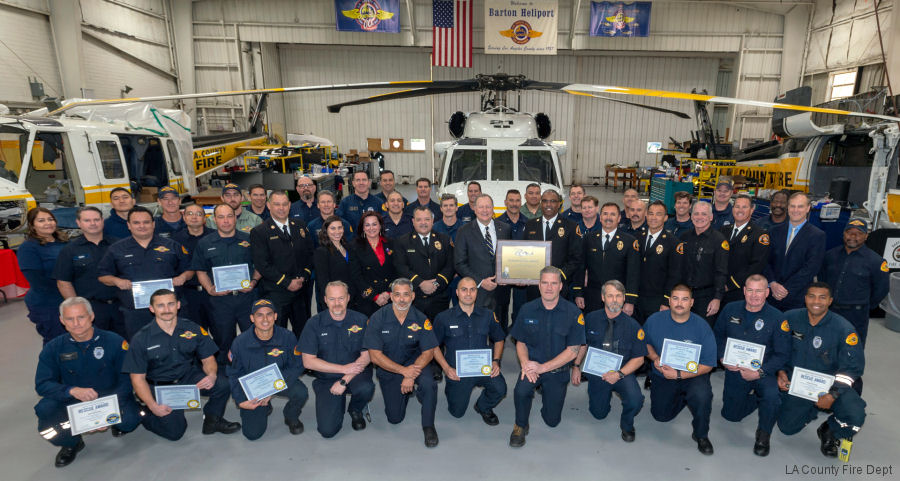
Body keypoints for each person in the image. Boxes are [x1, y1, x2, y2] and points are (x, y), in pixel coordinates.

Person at [34, 297, 141, 467]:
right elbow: (43, 384)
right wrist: (71, 390)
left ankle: (117, 423)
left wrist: (106, 412)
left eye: (81, 317)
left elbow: (127, 379)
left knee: (131, 420)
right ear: (62, 321)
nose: (76, 323)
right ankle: (71, 442)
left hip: (109, 396)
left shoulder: (114, 341)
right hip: (72, 399)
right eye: (70, 319)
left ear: (91, 316)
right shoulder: (53, 348)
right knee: (45, 410)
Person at [122, 289, 240, 440]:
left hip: (187, 377)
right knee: (175, 433)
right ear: (152, 309)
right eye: (161, 306)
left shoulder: (192, 328)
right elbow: (137, 379)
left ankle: (212, 419)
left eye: (170, 304)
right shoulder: (141, 339)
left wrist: (211, 375)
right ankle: (144, 413)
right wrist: (152, 405)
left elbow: (208, 359)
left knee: (222, 383)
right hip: (160, 386)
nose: (166, 310)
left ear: (178, 305)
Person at [776, 283, 866, 458]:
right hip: (797, 382)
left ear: (830, 301)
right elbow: (777, 349)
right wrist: (780, 372)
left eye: (822, 297)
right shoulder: (789, 319)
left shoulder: (844, 328)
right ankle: (810, 409)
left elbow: (852, 368)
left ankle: (829, 430)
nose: (816, 301)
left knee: (855, 415)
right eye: (811, 296)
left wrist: (833, 394)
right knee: (787, 428)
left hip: (831, 385)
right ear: (805, 298)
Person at [714, 275, 790, 456]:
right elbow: (717, 337)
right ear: (744, 291)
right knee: (730, 416)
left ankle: (764, 434)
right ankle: (757, 399)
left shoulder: (778, 318)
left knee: (771, 396)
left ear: (767, 293)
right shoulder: (730, 309)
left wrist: (761, 372)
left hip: (765, 371)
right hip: (735, 369)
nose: (754, 295)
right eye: (750, 290)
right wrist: (722, 358)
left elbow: (783, 354)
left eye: (759, 291)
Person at [508, 267, 585, 448]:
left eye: (553, 283)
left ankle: (546, 393)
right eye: (545, 283)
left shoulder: (573, 313)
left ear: (560, 286)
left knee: (552, 421)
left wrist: (544, 368)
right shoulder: (527, 309)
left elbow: (573, 350)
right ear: (539, 285)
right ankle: (520, 424)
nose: (549, 287)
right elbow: (520, 342)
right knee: (521, 390)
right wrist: (525, 363)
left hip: (557, 370)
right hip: (533, 366)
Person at [363, 278, 440, 447]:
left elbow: (428, 351)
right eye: (397, 295)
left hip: (416, 363)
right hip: (389, 366)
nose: (402, 299)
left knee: (429, 385)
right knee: (395, 418)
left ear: (413, 296)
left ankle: (428, 426)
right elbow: (375, 356)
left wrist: (411, 375)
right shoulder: (377, 318)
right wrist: (404, 372)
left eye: (406, 295)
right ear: (391, 296)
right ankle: (405, 393)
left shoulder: (421, 318)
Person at [97, 206, 193, 339]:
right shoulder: (116, 249)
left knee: (178, 345)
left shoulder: (172, 245)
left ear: (153, 224)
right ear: (129, 225)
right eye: (136, 223)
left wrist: (183, 277)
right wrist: (116, 281)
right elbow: (103, 276)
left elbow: (189, 269)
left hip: (169, 310)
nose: (142, 226)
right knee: (140, 349)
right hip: (135, 313)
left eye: (146, 222)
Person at [644, 284, 717, 455]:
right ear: (669, 301)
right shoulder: (654, 320)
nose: (679, 303)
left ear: (692, 302)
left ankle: (701, 434)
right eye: (675, 298)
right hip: (663, 373)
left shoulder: (702, 326)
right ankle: (684, 398)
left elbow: (708, 364)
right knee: (661, 416)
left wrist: (679, 374)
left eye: (685, 299)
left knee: (702, 395)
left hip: (693, 375)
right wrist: (655, 358)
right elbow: (644, 343)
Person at [571, 280, 646, 443]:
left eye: (618, 296)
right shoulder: (590, 319)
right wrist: (576, 366)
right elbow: (583, 344)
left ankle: (627, 425)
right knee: (598, 414)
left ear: (624, 298)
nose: (614, 300)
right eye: (610, 295)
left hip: (623, 372)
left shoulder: (634, 326)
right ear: (603, 297)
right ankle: (602, 396)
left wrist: (618, 374)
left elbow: (639, 358)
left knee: (636, 399)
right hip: (597, 372)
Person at [819, 219, 889, 394]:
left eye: (858, 233)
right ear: (844, 234)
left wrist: (862, 305)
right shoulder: (830, 255)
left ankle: (851, 397)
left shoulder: (876, 261)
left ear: (865, 236)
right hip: (830, 312)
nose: (853, 236)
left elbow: (881, 290)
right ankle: (823, 392)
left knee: (852, 356)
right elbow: (822, 280)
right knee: (825, 352)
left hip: (855, 316)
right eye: (850, 232)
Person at [298, 281, 374, 437]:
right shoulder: (313, 324)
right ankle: (334, 403)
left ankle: (356, 409)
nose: (337, 303)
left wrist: (344, 379)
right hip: (327, 378)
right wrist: (342, 369)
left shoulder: (361, 320)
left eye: (341, 298)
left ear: (348, 298)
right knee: (327, 431)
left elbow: (367, 355)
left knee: (366, 388)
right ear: (325, 300)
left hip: (356, 374)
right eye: (332, 299)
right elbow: (308, 361)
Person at [227, 299, 307, 439]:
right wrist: (240, 400)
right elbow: (234, 374)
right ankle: (265, 407)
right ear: (252, 318)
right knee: (252, 434)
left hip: (279, 381)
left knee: (300, 392)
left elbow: (297, 365)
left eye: (269, 314)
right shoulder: (240, 343)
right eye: (259, 315)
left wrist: (272, 389)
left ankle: (290, 416)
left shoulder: (288, 337)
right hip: (254, 388)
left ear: (275, 316)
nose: (265, 319)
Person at [432, 277, 506, 425]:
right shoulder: (443, 318)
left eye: (472, 289)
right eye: (464, 290)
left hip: (484, 368)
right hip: (458, 371)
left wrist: (496, 361)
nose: (468, 293)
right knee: (457, 413)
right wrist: (446, 369)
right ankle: (452, 390)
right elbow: (433, 346)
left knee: (500, 388)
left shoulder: (488, 315)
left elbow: (499, 339)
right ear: (457, 292)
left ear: (476, 293)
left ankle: (483, 406)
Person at [192, 204, 260, 364]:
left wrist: (254, 282)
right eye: (221, 217)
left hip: (246, 299)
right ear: (214, 220)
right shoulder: (204, 243)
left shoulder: (249, 239)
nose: (226, 221)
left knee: (252, 338)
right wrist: (209, 288)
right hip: (219, 302)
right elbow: (200, 270)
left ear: (235, 218)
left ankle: (252, 370)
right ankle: (226, 375)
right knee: (223, 340)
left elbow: (261, 265)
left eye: (229, 216)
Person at [251, 191, 313, 337]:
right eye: (276, 204)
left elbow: (310, 254)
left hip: (300, 290)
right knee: (278, 334)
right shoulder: (260, 232)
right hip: (276, 292)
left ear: (290, 205)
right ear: (268, 206)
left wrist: (304, 276)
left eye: (284, 204)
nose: (281, 208)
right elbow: (262, 264)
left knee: (304, 332)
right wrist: (286, 282)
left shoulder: (299, 225)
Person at [54, 207, 123, 337]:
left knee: (124, 345)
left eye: (96, 219)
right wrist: (78, 310)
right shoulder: (69, 250)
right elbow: (64, 282)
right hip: (91, 309)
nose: (93, 223)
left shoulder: (119, 245)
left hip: (121, 306)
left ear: (102, 221)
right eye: (87, 220)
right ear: (78, 223)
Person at [764, 192, 825, 311]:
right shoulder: (773, 231)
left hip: (796, 298)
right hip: (771, 294)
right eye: (792, 206)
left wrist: (785, 289)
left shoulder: (817, 235)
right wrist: (772, 283)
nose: (795, 210)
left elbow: (811, 268)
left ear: (808, 208)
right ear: (787, 207)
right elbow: (765, 260)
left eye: (800, 206)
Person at [576, 202, 639, 314]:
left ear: (619, 218)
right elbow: (580, 267)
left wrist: (630, 301)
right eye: (605, 214)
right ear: (600, 217)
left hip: (617, 297)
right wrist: (578, 293)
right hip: (592, 296)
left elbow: (633, 274)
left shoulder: (629, 241)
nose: (608, 218)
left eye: (612, 214)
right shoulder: (588, 238)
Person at [393, 206, 454, 320]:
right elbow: (401, 267)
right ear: (413, 221)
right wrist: (420, 283)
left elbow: (450, 266)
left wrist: (435, 284)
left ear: (432, 220)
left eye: (427, 219)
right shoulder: (403, 241)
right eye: (419, 219)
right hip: (414, 298)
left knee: (439, 335)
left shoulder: (444, 239)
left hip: (439, 297)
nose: (423, 223)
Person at [522, 189, 583, 301]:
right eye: (545, 201)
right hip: (535, 286)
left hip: (559, 286)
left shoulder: (571, 226)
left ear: (559, 204)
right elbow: (524, 254)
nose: (548, 204)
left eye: (553, 201)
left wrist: (561, 275)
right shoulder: (530, 225)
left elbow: (576, 257)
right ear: (541, 203)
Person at [19, 207, 68, 343]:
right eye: (41, 220)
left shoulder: (63, 243)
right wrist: (67, 290)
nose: (48, 223)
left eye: (50, 219)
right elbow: (37, 281)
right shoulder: (28, 248)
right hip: (48, 303)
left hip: (68, 297)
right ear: (32, 225)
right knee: (57, 342)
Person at [675, 201, 729, 326]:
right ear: (691, 216)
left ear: (711, 217)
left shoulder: (719, 240)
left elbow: (721, 272)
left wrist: (717, 299)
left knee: (702, 332)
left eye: (704, 214)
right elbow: (678, 268)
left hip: (706, 297)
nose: (699, 217)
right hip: (684, 295)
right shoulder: (684, 237)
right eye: (696, 214)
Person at [454, 194, 511, 311]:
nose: (485, 210)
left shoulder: (505, 229)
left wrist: (508, 277)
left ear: (493, 208)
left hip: (501, 293)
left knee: (501, 327)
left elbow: (509, 258)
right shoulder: (464, 231)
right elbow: (459, 263)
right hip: (477, 293)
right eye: (481, 207)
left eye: (488, 207)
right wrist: (480, 282)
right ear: (474, 209)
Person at [635, 201, 680, 324]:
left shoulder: (673, 243)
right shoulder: (637, 238)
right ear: (646, 216)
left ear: (665, 218)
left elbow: (674, 275)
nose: (653, 218)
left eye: (658, 214)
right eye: (651, 213)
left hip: (657, 300)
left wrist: (666, 301)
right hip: (637, 299)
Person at [720, 194, 770, 304]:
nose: (740, 210)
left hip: (740, 291)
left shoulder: (760, 235)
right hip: (718, 289)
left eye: (744, 207)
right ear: (732, 209)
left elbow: (756, 265)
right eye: (737, 206)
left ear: (752, 210)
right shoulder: (723, 231)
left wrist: (731, 284)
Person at [172, 204, 215, 331]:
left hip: (214, 293)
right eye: (190, 214)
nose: (194, 217)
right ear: (183, 217)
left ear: (204, 219)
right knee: (194, 334)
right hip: (189, 294)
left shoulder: (215, 237)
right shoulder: (175, 241)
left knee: (221, 333)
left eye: (198, 214)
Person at [350, 211, 396, 317]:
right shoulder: (354, 246)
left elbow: (397, 270)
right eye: (367, 225)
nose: (371, 228)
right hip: (366, 299)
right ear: (363, 228)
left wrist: (389, 293)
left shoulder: (391, 243)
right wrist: (374, 296)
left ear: (380, 226)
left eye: (374, 224)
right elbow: (356, 277)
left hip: (389, 297)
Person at [496, 189, 528, 331]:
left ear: (521, 203)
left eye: (517, 200)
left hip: (522, 274)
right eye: (511, 200)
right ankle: (500, 336)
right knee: (501, 306)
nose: (514, 204)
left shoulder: (529, 223)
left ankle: (517, 334)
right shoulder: (496, 223)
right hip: (503, 274)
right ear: (505, 202)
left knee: (521, 306)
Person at [313, 216, 353, 307]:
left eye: (340, 228)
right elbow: (322, 283)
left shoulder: (349, 248)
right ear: (326, 231)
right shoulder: (321, 252)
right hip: (335, 302)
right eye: (333, 228)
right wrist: (328, 303)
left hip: (352, 299)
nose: (337, 231)